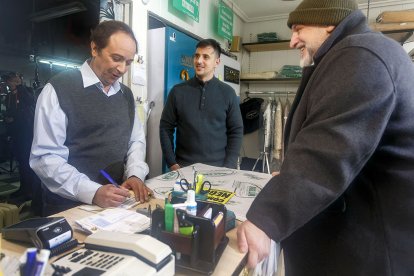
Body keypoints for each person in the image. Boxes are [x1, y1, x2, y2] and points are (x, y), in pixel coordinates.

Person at [237, 0, 414, 275]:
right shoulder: (348, 55)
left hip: (366, 255)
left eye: (298, 29)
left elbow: (327, 150)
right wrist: (288, 175)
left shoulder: (361, 55)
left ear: (329, 22)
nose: (292, 41)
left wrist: (266, 219)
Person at [30, 20, 151, 216]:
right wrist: (92, 192)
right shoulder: (59, 89)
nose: (121, 69)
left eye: (128, 62)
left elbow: (135, 140)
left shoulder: (126, 95)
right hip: (69, 207)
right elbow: (45, 158)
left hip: (117, 203)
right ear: (95, 48)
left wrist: (136, 174)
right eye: (116, 58)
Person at [159, 39, 243, 171]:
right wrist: (171, 162)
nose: (199, 61)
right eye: (197, 56)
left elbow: (236, 131)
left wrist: (229, 166)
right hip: (183, 168)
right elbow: (165, 127)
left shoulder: (228, 93)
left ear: (217, 62)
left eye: (206, 57)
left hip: (218, 169)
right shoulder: (177, 91)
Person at [2, 72, 40, 204]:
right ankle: (23, 188)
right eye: (8, 81)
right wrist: (7, 119)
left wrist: (20, 86)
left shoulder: (26, 91)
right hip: (15, 133)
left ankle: (30, 190)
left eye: (11, 81)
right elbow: (9, 110)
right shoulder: (8, 96)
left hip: (26, 133)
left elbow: (30, 101)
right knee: (21, 163)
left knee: (27, 162)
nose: (9, 83)